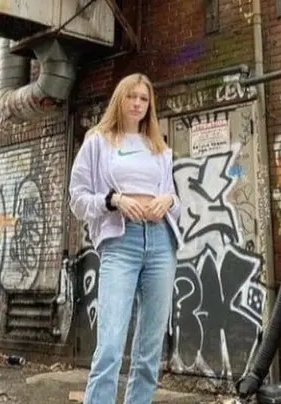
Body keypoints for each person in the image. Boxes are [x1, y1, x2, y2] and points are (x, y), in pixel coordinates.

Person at [69, 73, 182, 404]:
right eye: (131, 96)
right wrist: (113, 200)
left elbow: (173, 199)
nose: (137, 103)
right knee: (110, 344)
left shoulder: (159, 148)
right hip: (122, 242)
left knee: (150, 348)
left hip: (161, 241)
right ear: (120, 99)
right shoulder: (98, 141)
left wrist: (169, 200)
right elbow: (77, 199)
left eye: (144, 99)